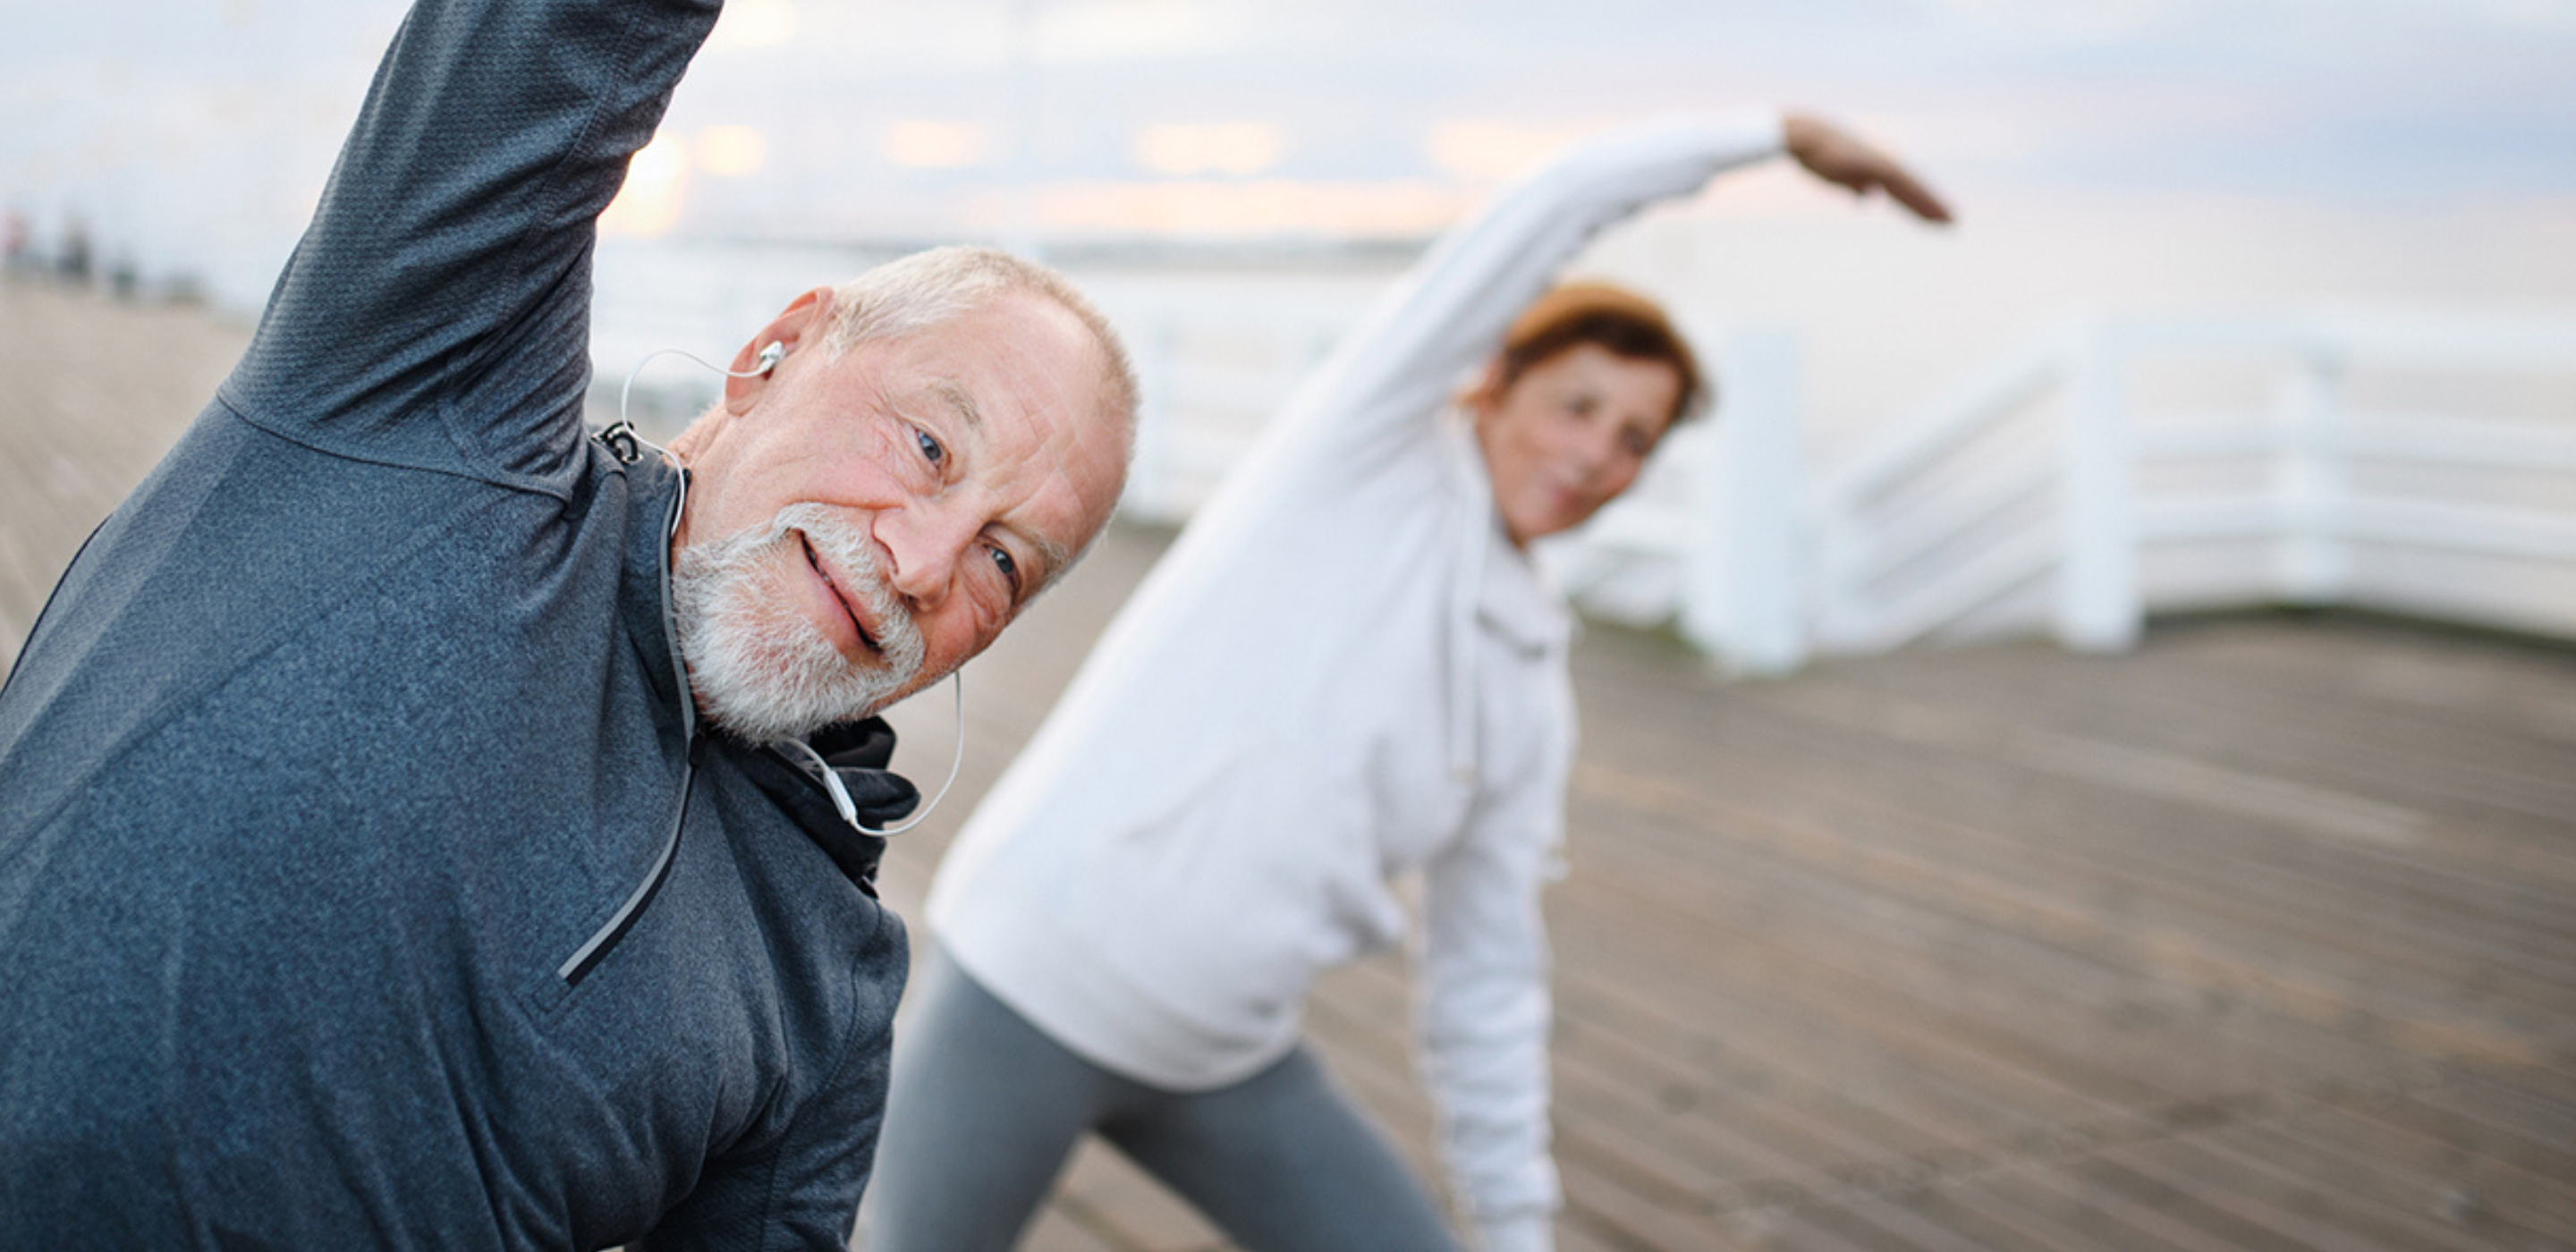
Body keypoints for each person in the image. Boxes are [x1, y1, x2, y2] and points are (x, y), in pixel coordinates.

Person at [0, 0, 1132, 1247]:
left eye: (1002, 561)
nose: (921, 563)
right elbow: (558, 35)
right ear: (774, 351)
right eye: (928, 445)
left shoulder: (829, 984)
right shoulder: (429, 398)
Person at [869, 111, 1947, 1252]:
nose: (1596, 455)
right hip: (1033, 983)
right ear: (1494, 382)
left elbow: (1487, 968)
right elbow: (1550, 203)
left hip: (1223, 1051)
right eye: (1578, 406)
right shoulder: (1361, 456)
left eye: (1636, 438)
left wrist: (1517, 1221)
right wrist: (1771, 140)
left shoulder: (1528, 680)